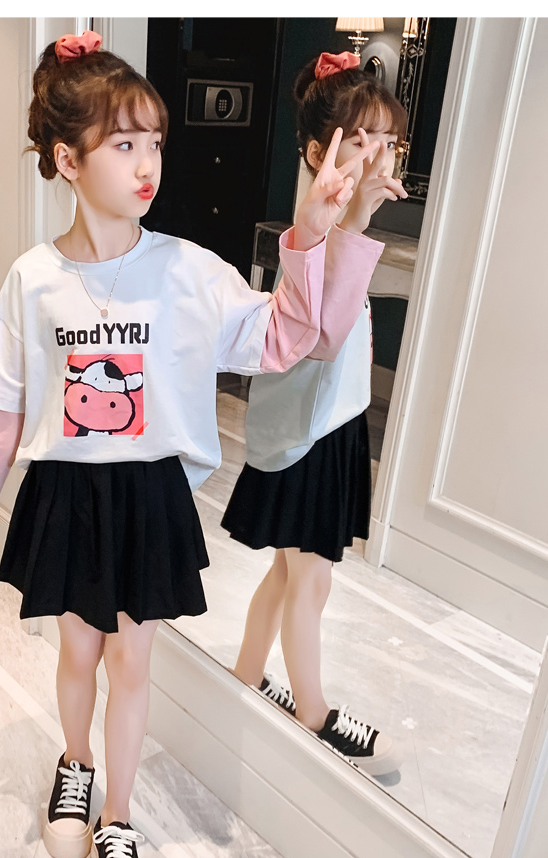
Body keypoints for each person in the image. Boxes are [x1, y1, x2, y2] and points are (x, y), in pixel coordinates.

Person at [0, 33, 382, 858]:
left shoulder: (189, 271)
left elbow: (293, 337)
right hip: (67, 493)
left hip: (147, 497)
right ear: (68, 160)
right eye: (124, 143)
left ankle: (118, 822)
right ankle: (76, 763)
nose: (147, 165)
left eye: (156, 143)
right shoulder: (31, 280)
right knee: (77, 650)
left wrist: (318, 232)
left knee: (133, 662)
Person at [221, 50, 409, 777]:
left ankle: (245, 675)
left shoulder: (334, 228)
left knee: (289, 570)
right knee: (312, 578)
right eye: (359, 140)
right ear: (314, 151)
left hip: (329, 422)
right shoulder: (310, 234)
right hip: (307, 430)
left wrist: (357, 218)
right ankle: (314, 711)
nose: (376, 155)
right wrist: (352, 223)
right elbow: (324, 336)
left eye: (385, 139)